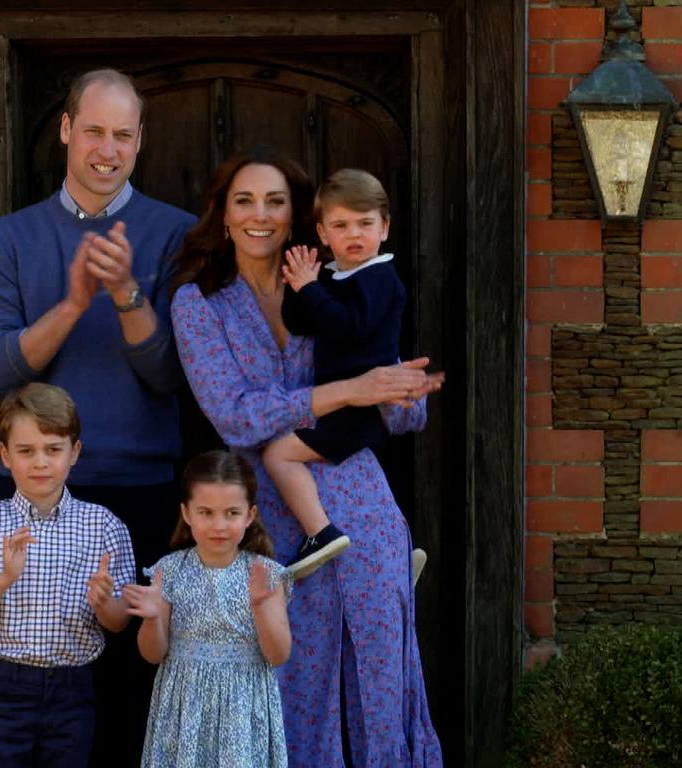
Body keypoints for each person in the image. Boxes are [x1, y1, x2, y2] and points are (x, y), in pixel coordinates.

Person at [170, 148, 444, 766]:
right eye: (244, 201)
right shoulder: (199, 303)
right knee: (287, 680)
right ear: (224, 214)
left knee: (379, 676)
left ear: (297, 218)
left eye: (275, 202)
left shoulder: (342, 282)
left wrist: (404, 393)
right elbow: (233, 415)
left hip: (364, 506)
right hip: (269, 519)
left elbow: (399, 410)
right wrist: (350, 391)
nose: (259, 215)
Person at [0, 68, 196, 764]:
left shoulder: (176, 234)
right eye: (93, 130)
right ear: (66, 130)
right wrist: (71, 303)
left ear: (140, 142)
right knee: (37, 692)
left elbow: (170, 377)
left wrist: (126, 292)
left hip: (145, 492)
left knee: (132, 693)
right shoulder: (9, 237)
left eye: (122, 135)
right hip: (35, 496)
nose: (107, 148)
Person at [0, 383, 135, 767]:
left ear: (74, 452)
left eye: (53, 449)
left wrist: (103, 603)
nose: (41, 462)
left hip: (72, 688)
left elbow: (118, 624)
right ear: (5, 455)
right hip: (3, 688)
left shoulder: (104, 527)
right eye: (26, 451)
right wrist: (3, 579)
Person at [264, 168, 406, 578]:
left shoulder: (380, 278)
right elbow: (302, 323)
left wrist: (312, 288)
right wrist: (299, 285)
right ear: (324, 234)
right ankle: (389, 556)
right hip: (340, 403)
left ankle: (320, 533)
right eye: (341, 226)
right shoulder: (335, 275)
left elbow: (348, 327)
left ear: (385, 227)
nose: (354, 234)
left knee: (278, 454)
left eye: (365, 223)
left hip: (358, 409)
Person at [124, 450, 292, 768]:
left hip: (242, 709)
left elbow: (279, 654)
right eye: (206, 512)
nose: (219, 525)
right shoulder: (169, 571)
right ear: (186, 513)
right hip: (184, 707)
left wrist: (260, 606)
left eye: (231, 513)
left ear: (250, 514)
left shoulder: (266, 574)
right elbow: (152, 653)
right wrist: (152, 619)